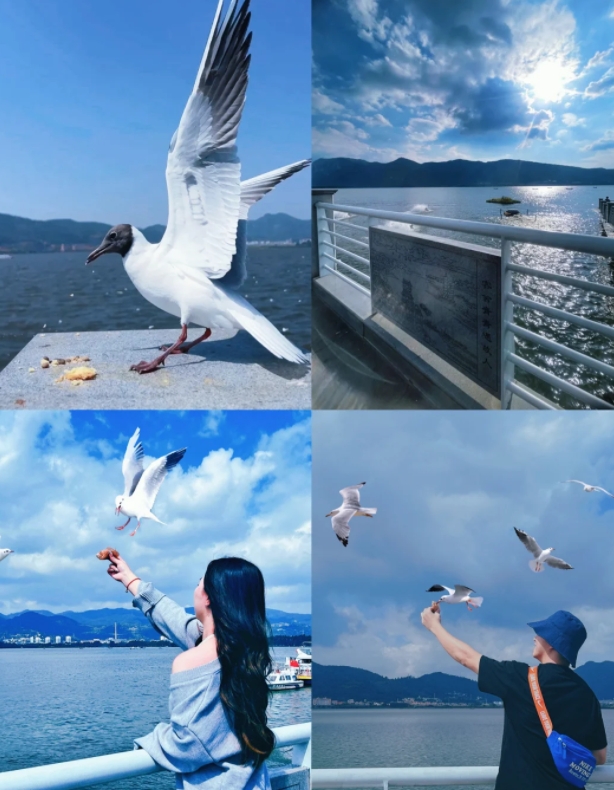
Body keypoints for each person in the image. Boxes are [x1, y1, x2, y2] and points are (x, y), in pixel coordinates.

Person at [106, 552, 275, 789]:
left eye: (199, 583)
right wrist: (130, 579)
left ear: (209, 598)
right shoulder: (247, 651)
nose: (195, 589)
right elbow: (174, 619)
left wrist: (151, 740)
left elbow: (187, 746)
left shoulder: (192, 660)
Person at [421, 604, 607, 790]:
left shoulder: (520, 678)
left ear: (552, 643)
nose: (535, 637)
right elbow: (599, 757)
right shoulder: (587, 695)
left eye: (540, 633)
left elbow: (465, 657)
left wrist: (434, 626)